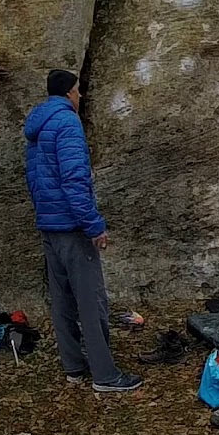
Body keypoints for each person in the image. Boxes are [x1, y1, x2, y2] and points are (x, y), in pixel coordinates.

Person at [24, 69, 143, 392]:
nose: (81, 96)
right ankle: (105, 375)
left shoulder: (37, 127)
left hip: (49, 226)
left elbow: (35, 180)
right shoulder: (67, 124)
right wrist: (94, 226)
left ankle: (74, 366)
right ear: (67, 94)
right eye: (78, 91)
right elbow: (74, 181)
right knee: (92, 302)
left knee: (62, 300)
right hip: (73, 227)